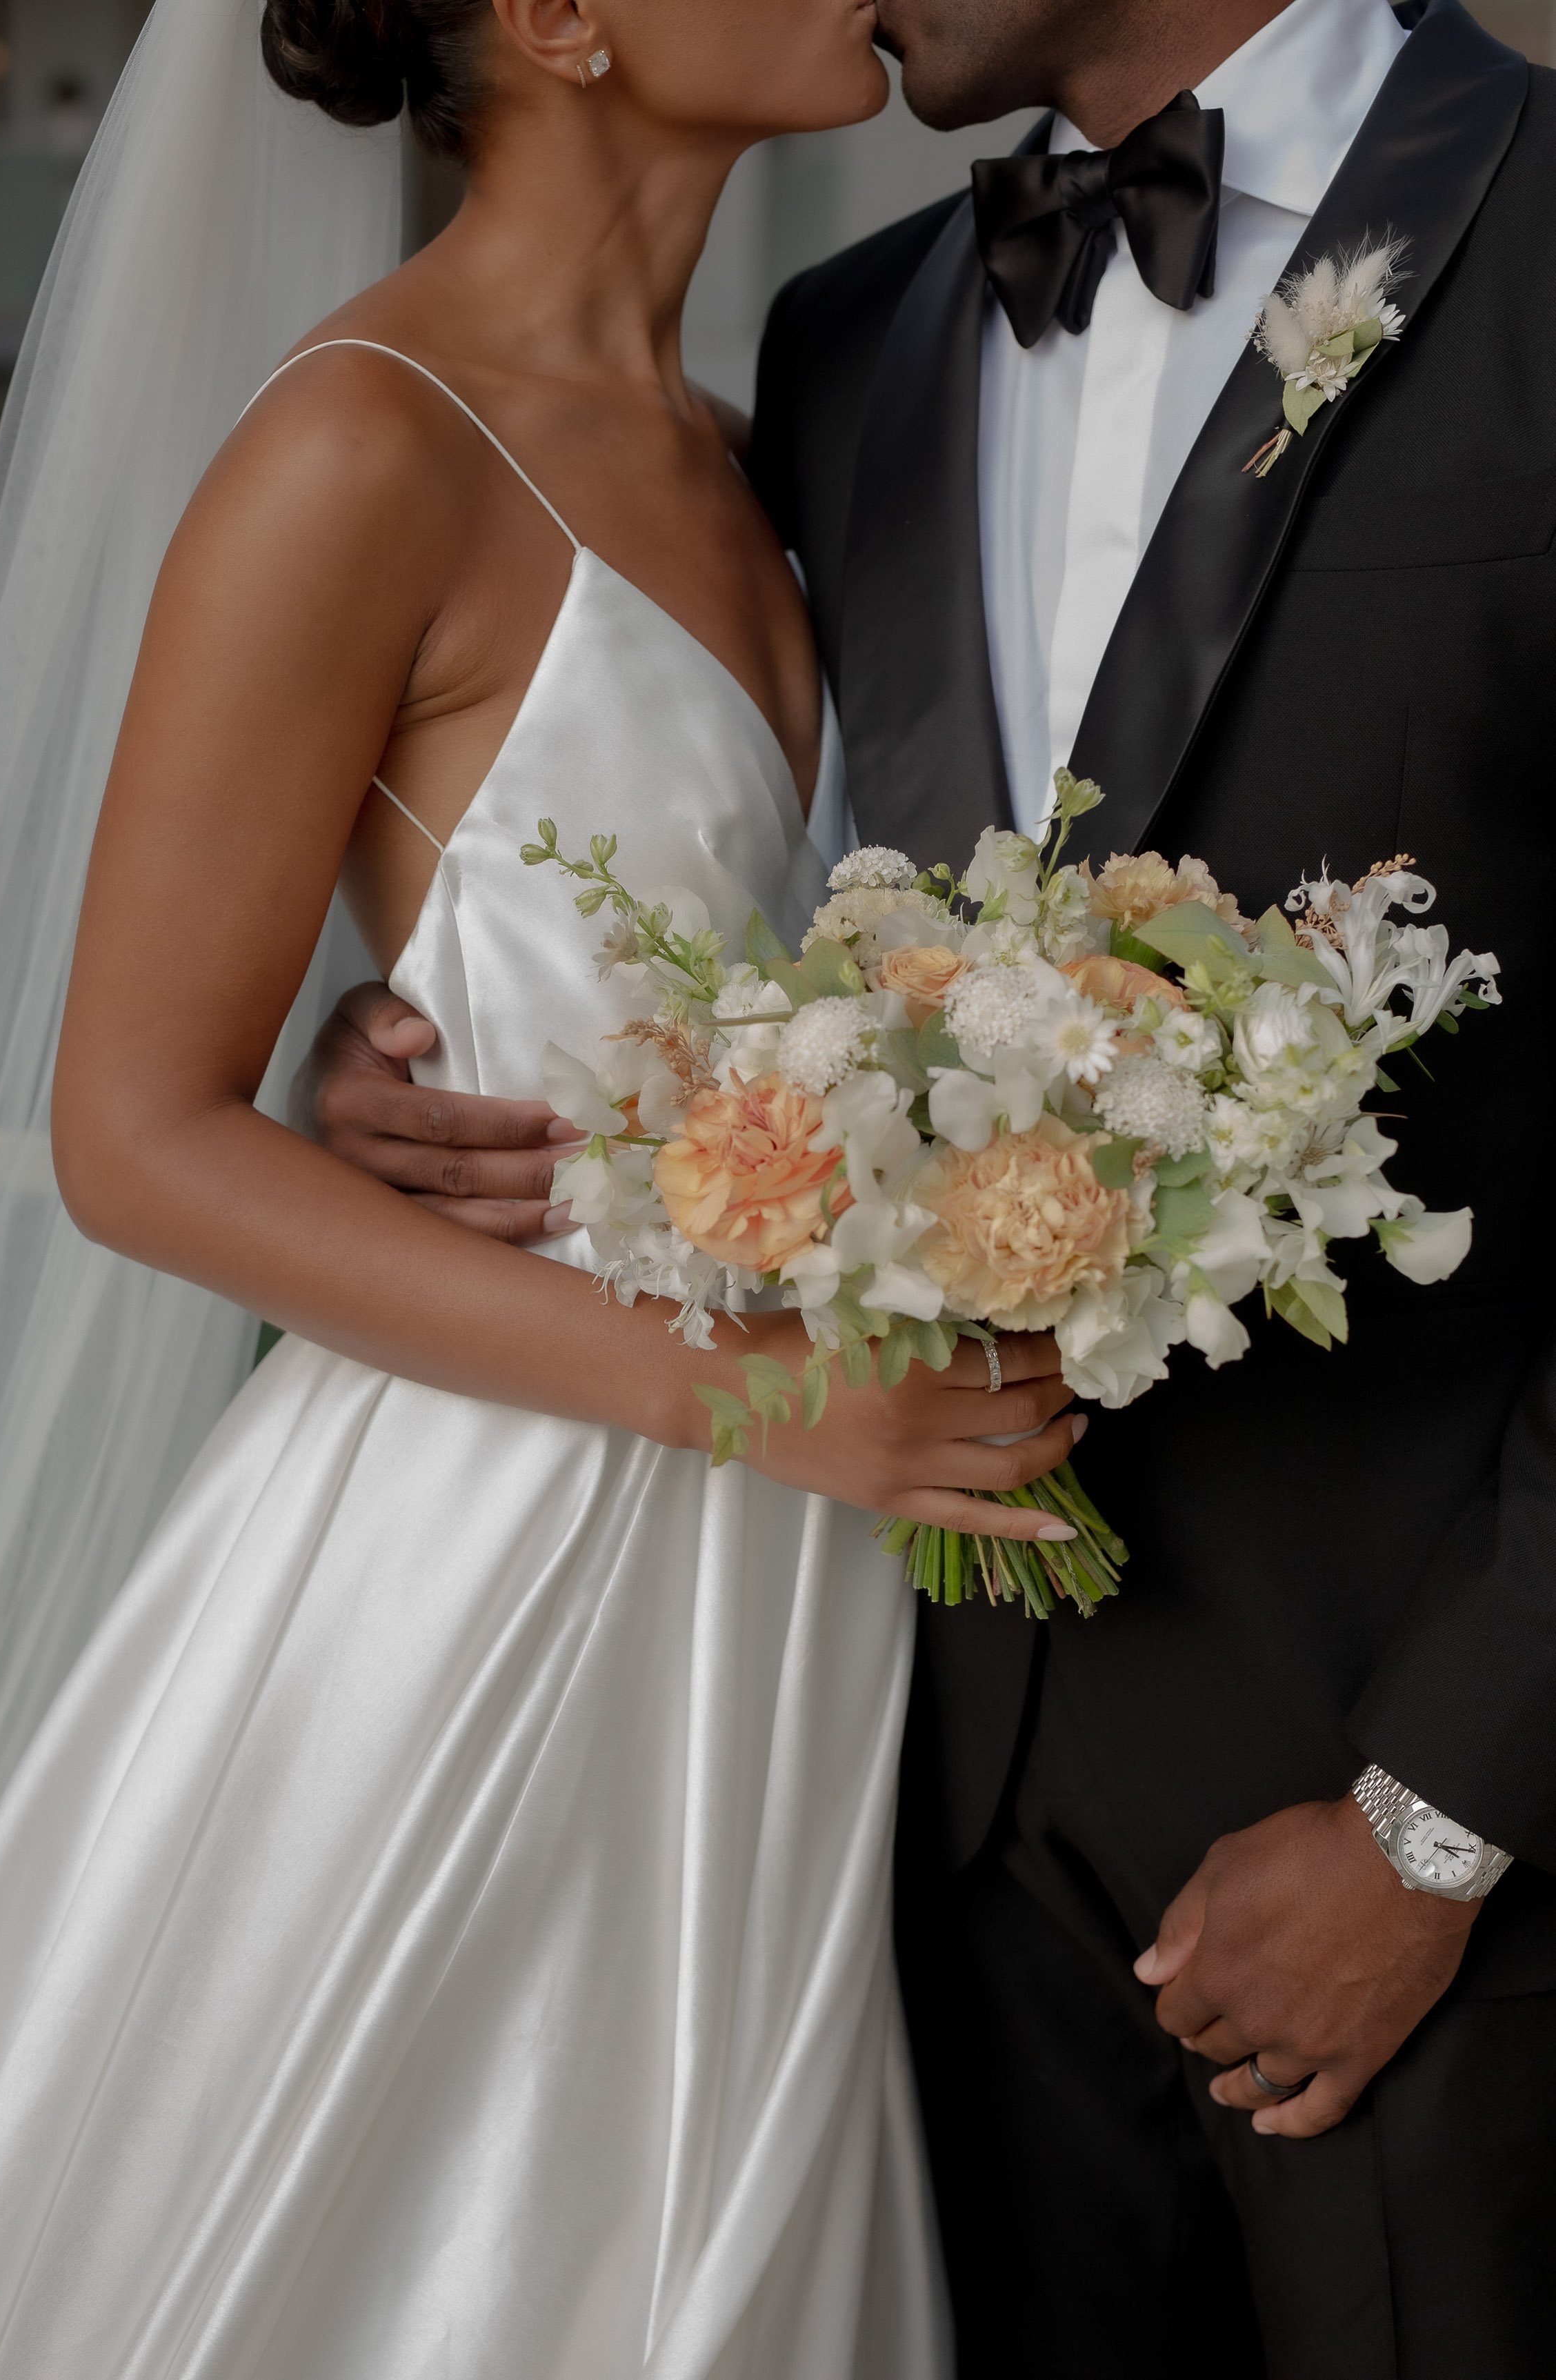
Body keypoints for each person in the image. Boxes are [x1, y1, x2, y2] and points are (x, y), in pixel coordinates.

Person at [312, 0, 1556, 2372]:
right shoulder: (847, 342)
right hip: (871, 1830)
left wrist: (1436, 1814)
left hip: (1435, 1855)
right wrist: (396, 1040)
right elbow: (758, 898)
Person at [0, 0, 1095, 2370]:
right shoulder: (360, 444)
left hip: (801, 1583)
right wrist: (760, 1402)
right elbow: (130, 1136)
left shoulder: (768, 429)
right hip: (498, 1546)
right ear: (555, 19)